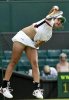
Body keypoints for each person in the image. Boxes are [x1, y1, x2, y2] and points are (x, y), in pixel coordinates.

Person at [0, 5, 66, 99]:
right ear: (54, 18)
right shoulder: (48, 20)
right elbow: (51, 12)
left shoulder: (49, 34)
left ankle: (36, 89)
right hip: (22, 37)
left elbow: (37, 44)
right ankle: (4, 87)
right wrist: (55, 9)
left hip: (31, 43)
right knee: (14, 62)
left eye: (61, 22)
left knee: (35, 63)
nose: (59, 22)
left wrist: (35, 41)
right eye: (59, 19)